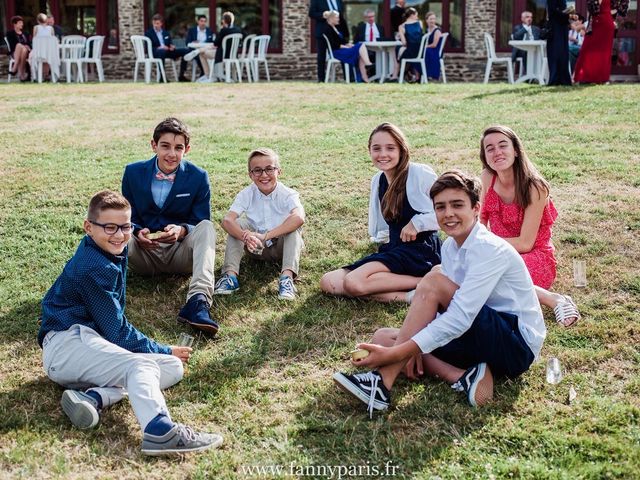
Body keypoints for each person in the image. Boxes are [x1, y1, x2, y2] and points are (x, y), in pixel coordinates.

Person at [333, 170, 547, 416]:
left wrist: (401, 352)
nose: (448, 214)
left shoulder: (489, 249)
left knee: (433, 282)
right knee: (382, 337)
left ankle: (381, 384)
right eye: (440, 207)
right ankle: (463, 377)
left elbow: (460, 317)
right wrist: (409, 347)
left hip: (515, 345)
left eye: (457, 205)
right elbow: (445, 310)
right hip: (481, 335)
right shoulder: (450, 247)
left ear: (476, 209)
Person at [38, 190, 223, 456]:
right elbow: (117, 332)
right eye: (109, 227)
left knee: (172, 369)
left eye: (125, 226)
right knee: (143, 364)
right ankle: (159, 430)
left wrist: (166, 356)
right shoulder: (94, 266)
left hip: (89, 343)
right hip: (67, 346)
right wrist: (163, 348)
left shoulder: (105, 249)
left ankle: (95, 397)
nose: (120, 234)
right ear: (88, 227)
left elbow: (112, 331)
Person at [320, 123, 441, 303]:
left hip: (421, 251)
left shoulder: (419, 174)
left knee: (353, 283)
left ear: (402, 149)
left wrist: (418, 223)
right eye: (376, 148)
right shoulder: (378, 180)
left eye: (390, 148)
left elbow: (447, 214)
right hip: (395, 249)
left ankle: (427, 282)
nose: (383, 154)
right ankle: (410, 295)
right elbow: (384, 226)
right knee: (329, 282)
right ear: (369, 151)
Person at [121, 117, 219, 337]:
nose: (171, 154)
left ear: (187, 149)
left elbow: (200, 219)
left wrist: (182, 230)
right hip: (143, 254)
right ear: (153, 145)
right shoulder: (132, 172)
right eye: (165, 146)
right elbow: (128, 216)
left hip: (180, 255)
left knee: (207, 228)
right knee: (116, 229)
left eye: (178, 148)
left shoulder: (199, 176)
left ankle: (198, 302)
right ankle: (99, 293)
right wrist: (137, 231)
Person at [479, 126, 579, 327]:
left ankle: (554, 299)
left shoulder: (535, 187)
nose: (497, 152)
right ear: (485, 156)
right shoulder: (487, 178)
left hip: (534, 256)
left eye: (502, 145)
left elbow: (525, 243)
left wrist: (484, 244)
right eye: (489, 148)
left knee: (488, 281)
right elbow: (480, 219)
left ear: (516, 150)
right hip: (498, 253)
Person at [215, 148, 305, 300]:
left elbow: (299, 218)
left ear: (279, 171)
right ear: (250, 174)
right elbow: (227, 221)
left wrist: (265, 236)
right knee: (238, 223)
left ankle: (287, 278)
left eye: (269, 169)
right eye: (257, 170)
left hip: (281, 247)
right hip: (255, 247)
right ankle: (230, 277)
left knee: (292, 227)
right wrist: (246, 236)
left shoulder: (288, 194)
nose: (264, 175)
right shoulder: (246, 194)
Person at [574, 0, 629, 84]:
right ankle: (593, 77)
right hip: (603, 23)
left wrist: (609, 11)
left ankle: (593, 78)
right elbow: (621, 9)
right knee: (597, 51)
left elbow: (594, 9)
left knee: (593, 50)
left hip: (601, 23)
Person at [320, 10, 372, 83]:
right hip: (336, 52)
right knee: (361, 45)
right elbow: (333, 45)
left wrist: (348, 44)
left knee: (360, 49)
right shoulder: (327, 28)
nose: (338, 19)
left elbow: (341, 41)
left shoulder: (335, 28)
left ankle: (364, 77)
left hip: (341, 50)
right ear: (331, 18)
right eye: (337, 18)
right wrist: (345, 47)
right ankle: (368, 64)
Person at [309, 0, 349, 82]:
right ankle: (321, 79)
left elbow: (341, 16)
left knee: (344, 51)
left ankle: (347, 77)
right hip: (322, 31)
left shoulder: (338, 1)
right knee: (321, 56)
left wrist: (345, 33)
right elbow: (311, 13)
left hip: (337, 31)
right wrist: (323, 15)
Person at [144, 14, 190, 82]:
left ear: (161, 23)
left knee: (185, 51)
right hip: (155, 52)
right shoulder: (148, 33)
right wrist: (159, 48)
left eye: (157, 23)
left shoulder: (166, 33)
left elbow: (169, 43)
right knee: (162, 51)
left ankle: (181, 75)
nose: (155, 25)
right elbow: (147, 48)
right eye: (154, 23)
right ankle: (162, 77)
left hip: (167, 51)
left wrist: (171, 46)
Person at [546, 0, 578, 86]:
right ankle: (555, 79)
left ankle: (563, 79)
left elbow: (562, 12)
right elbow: (554, 12)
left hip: (562, 28)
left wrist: (570, 17)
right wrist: (568, 15)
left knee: (563, 54)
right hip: (555, 28)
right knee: (556, 53)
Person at [393, 8, 423, 82]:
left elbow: (404, 43)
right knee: (400, 51)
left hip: (411, 52)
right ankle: (406, 74)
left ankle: (396, 74)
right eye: (416, 15)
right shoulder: (420, 23)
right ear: (412, 15)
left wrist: (400, 36)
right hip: (421, 52)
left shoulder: (401, 26)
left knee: (397, 50)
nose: (417, 17)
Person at [212, 11, 243, 79]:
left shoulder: (224, 30)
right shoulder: (238, 30)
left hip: (223, 55)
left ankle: (210, 75)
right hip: (234, 55)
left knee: (203, 54)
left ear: (224, 21)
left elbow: (215, 43)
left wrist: (222, 28)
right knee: (205, 52)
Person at [184, 15, 215, 80]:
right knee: (185, 53)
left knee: (202, 54)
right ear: (198, 21)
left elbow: (212, 42)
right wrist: (193, 42)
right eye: (201, 21)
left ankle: (205, 74)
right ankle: (182, 75)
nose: (203, 23)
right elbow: (187, 42)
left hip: (206, 50)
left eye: (204, 21)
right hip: (193, 49)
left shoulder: (209, 31)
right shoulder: (192, 30)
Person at [29, 13, 55, 81]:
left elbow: (34, 40)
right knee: (46, 58)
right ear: (46, 20)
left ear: (38, 21)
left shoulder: (36, 28)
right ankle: (46, 75)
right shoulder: (51, 28)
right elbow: (53, 41)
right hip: (48, 52)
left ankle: (34, 76)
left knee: (30, 57)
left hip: (38, 51)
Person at [6, 15, 31, 82]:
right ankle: (21, 74)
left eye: (22, 22)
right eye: (20, 22)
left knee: (24, 50)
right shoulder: (10, 33)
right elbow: (12, 45)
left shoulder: (26, 33)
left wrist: (27, 46)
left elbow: (29, 44)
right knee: (19, 45)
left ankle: (15, 69)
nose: (22, 24)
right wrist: (24, 46)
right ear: (14, 24)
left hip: (26, 53)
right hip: (15, 52)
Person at [424, 12, 443, 81]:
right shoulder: (426, 30)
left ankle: (428, 74)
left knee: (425, 52)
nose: (432, 21)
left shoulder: (437, 30)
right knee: (417, 52)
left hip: (435, 50)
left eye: (434, 19)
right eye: (431, 19)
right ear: (426, 20)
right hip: (429, 49)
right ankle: (417, 75)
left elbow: (434, 44)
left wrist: (425, 47)